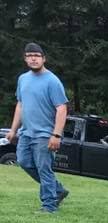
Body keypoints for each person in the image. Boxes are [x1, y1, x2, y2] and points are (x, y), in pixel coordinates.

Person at [5, 43, 69, 213]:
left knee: (43, 168)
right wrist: (13, 130)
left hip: (45, 134)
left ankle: (49, 206)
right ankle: (57, 189)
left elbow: (61, 108)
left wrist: (56, 135)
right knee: (24, 162)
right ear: (25, 59)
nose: (33, 58)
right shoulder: (23, 79)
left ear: (43, 58)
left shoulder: (52, 81)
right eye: (29, 55)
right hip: (26, 133)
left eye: (37, 55)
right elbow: (20, 104)